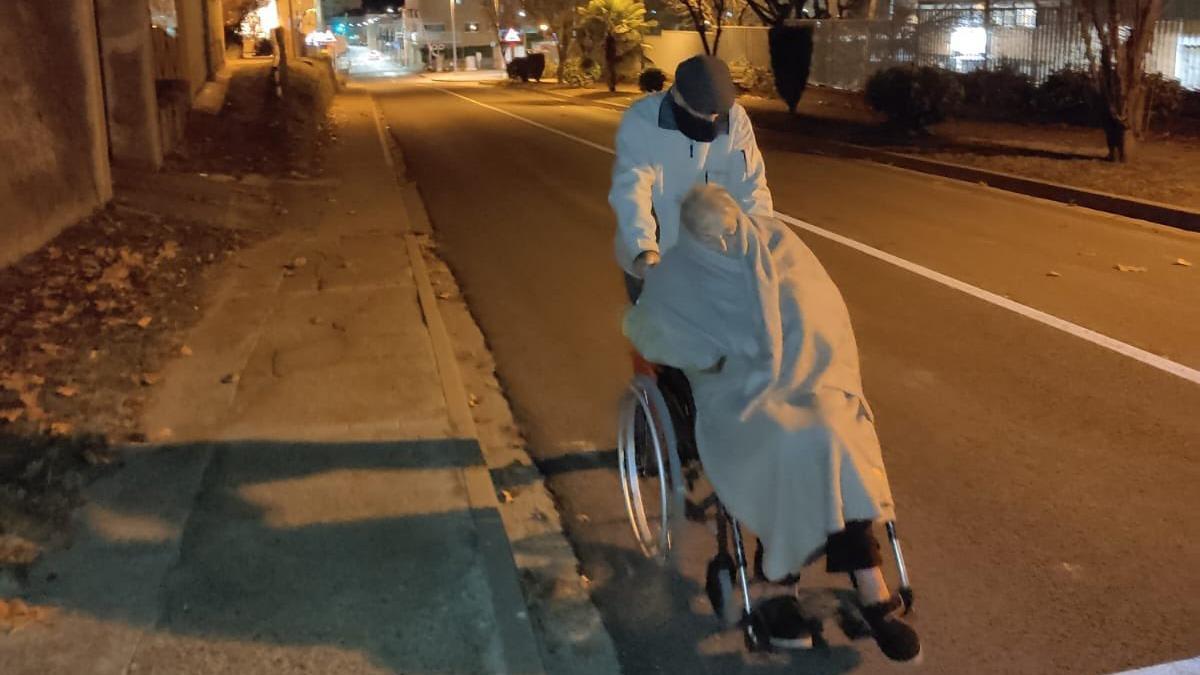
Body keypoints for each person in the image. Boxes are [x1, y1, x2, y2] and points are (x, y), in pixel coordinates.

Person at [622, 184, 922, 663]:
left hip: (807, 378)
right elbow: (657, 332)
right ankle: (782, 581)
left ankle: (866, 574)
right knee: (789, 441)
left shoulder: (767, 245)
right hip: (739, 395)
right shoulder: (688, 268)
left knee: (834, 432)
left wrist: (819, 371)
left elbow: (820, 313)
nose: (722, 245)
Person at [609, 54, 772, 300]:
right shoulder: (642, 120)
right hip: (653, 255)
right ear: (678, 96)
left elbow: (751, 186)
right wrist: (644, 251)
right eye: (703, 113)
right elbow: (632, 189)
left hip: (710, 259)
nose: (712, 120)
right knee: (656, 334)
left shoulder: (735, 119)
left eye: (717, 114)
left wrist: (762, 245)